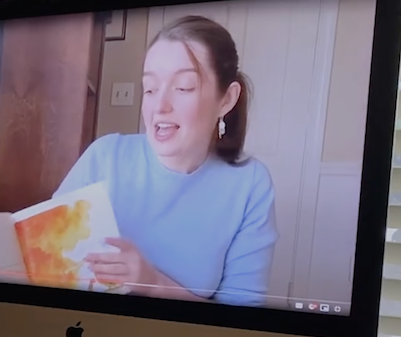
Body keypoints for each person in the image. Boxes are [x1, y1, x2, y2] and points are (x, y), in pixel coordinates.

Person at [54, 15, 278, 307]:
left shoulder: (251, 184)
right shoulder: (104, 157)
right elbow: (46, 266)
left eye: (183, 87)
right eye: (150, 88)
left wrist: (153, 283)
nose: (159, 106)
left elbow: (240, 323)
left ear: (226, 99)